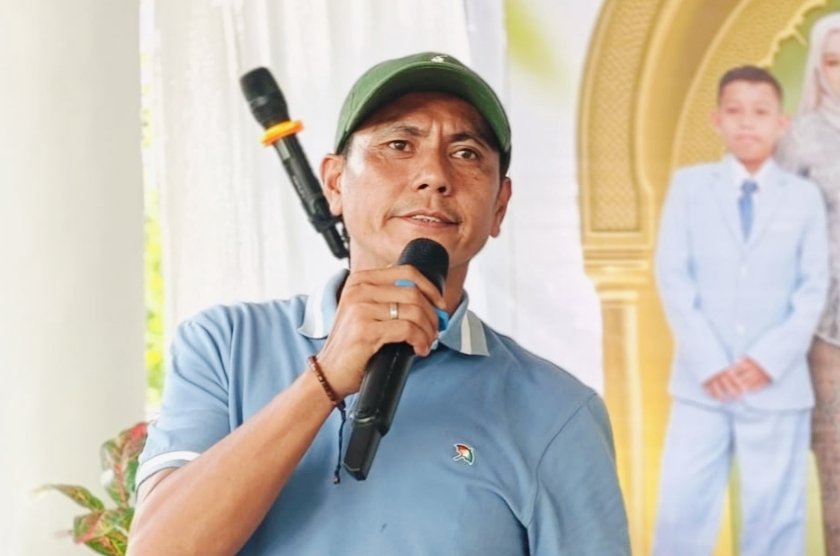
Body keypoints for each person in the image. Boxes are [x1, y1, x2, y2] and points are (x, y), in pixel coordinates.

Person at [127, 52, 630, 555]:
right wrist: (324, 378)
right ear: (334, 183)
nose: (434, 175)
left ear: (499, 206)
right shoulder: (225, 346)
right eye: (399, 144)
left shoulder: (558, 411)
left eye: (466, 153)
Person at [652, 65, 829, 556]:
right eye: (734, 111)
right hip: (701, 382)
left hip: (776, 383)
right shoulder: (690, 188)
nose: (747, 122)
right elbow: (673, 275)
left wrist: (767, 360)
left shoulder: (803, 198)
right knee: (682, 508)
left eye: (760, 112)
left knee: (776, 515)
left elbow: (813, 288)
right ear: (717, 120)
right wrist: (711, 362)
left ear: (782, 123)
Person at [776, 13, 840, 554]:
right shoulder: (799, 139)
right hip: (826, 329)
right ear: (819, 67)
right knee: (837, 465)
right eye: (834, 61)